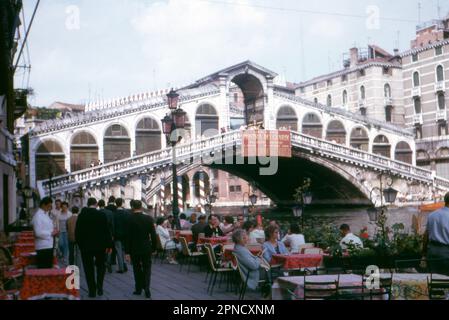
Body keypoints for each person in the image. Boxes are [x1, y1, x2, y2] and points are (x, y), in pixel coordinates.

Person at [75, 198, 113, 298]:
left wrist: (81, 245)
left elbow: (77, 232)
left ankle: (92, 290)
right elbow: (106, 231)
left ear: (87, 204)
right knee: (101, 266)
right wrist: (109, 245)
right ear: (96, 204)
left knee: (88, 268)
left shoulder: (82, 216)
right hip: (100, 246)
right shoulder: (101, 215)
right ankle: (100, 287)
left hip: (86, 247)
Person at [124, 200, 157, 299]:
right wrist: (154, 248)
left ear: (133, 207)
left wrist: (127, 252)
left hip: (134, 248)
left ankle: (138, 288)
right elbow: (153, 235)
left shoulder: (129, 219)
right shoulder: (148, 218)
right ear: (141, 207)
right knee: (147, 268)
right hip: (146, 247)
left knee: (136, 268)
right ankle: (147, 288)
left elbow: (127, 237)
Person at [423, 192, 449, 275]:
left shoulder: (432, 215)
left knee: (433, 279)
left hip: (432, 251)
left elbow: (426, 235)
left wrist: (423, 253)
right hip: (446, 253)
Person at [32, 197, 57, 269]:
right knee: (44, 269)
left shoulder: (45, 215)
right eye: (48, 206)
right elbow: (37, 232)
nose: (50, 208)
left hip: (48, 245)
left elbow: (46, 227)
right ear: (43, 205)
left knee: (48, 268)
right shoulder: (38, 216)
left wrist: (54, 231)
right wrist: (50, 233)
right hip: (42, 247)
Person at [113, 198, 130, 273]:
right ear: (122, 203)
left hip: (117, 235)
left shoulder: (114, 213)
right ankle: (125, 264)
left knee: (119, 251)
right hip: (125, 235)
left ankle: (121, 268)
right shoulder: (126, 213)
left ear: (116, 204)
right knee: (124, 251)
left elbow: (113, 225)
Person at [99, 199, 115, 273]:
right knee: (109, 249)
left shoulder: (97, 212)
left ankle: (102, 263)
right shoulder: (110, 212)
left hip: (100, 234)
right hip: (109, 234)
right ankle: (108, 262)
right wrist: (112, 234)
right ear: (104, 204)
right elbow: (112, 224)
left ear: (98, 205)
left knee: (101, 249)